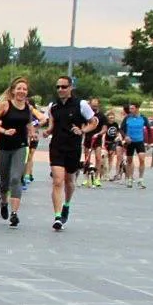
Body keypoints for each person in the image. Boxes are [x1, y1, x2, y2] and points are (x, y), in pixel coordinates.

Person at [45, 76, 98, 231]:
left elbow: (94, 122)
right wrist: (47, 131)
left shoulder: (81, 104)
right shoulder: (53, 106)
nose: (61, 89)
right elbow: (51, 124)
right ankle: (57, 216)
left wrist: (83, 130)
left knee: (69, 180)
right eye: (58, 87)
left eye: (64, 86)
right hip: (56, 146)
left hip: (73, 147)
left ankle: (66, 205)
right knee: (57, 180)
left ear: (70, 88)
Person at [0, 77, 34, 227]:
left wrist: (33, 133)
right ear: (13, 91)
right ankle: (3, 202)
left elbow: (28, 123)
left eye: (24, 89)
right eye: (19, 88)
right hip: (3, 146)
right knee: (4, 180)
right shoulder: (5, 105)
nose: (22, 91)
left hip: (20, 146)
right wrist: (4, 131)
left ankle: (14, 213)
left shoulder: (27, 107)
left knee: (16, 178)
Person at [120, 102, 150, 188]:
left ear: (137, 109)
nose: (130, 110)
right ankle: (129, 179)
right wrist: (125, 137)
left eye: (132, 109)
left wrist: (149, 142)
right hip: (130, 142)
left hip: (139, 141)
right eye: (130, 109)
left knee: (142, 159)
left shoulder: (143, 118)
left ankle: (140, 179)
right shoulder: (127, 118)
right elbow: (121, 129)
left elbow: (149, 129)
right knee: (129, 160)